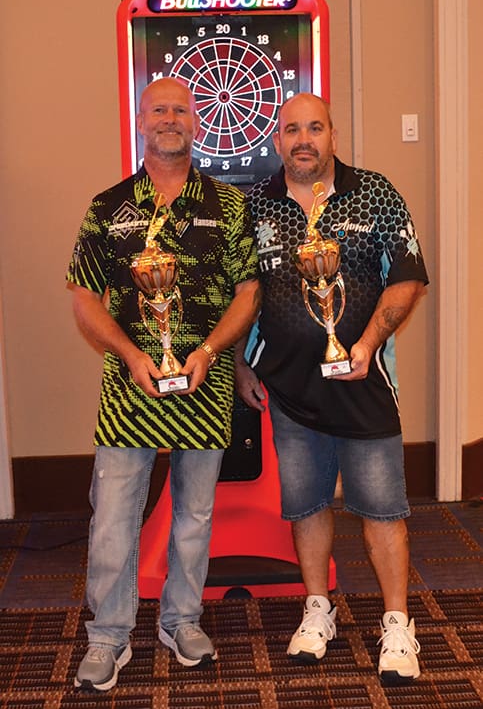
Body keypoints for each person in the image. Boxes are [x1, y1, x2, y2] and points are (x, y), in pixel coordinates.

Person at [66, 77, 260, 691]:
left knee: (195, 515)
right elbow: (84, 297)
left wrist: (207, 351)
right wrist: (129, 355)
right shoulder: (107, 206)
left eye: (181, 109)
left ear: (197, 123)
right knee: (113, 518)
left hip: (206, 380)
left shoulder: (230, 205)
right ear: (141, 121)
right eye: (159, 110)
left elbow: (248, 291)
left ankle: (181, 621)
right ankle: (108, 635)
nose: (170, 119)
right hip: (130, 387)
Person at [236, 93, 428, 686]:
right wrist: (242, 363)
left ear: (333, 136)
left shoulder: (374, 193)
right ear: (278, 141)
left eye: (315, 128)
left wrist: (366, 345)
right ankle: (318, 608)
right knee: (308, 504)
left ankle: (397, 622)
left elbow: (408, 279)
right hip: (289, 391)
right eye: (292, 129)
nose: (304, 140)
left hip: (364, 385)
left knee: (382, 508)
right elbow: (243, 294)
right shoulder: (254, 205)